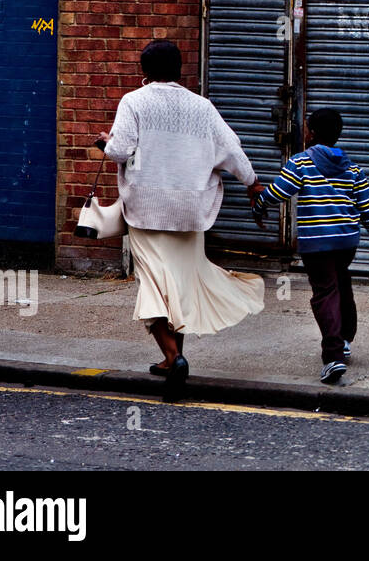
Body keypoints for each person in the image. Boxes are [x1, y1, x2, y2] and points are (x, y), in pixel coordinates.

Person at [100, 40, 266, 390]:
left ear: (144, 72)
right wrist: (252, 183)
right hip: (191, 210)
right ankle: (170, 357)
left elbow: (120, 151)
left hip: (147, 209)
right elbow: (231, 150)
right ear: (179, 70)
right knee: (181, 286)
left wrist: (105, 142)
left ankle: (175, 358)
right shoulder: (202, 107)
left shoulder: (134, 101)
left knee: (153, 286)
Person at [252, 107, 369, 384]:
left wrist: (259, 205)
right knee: (340, 282)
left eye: (307, 127)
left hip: (317, 244)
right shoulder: (352, 168)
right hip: (346, 242)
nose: (304, 131)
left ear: (313, 133)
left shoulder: (302, 163)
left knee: (325, 292)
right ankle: (344, 340)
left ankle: (333, 357)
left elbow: (278, 192)